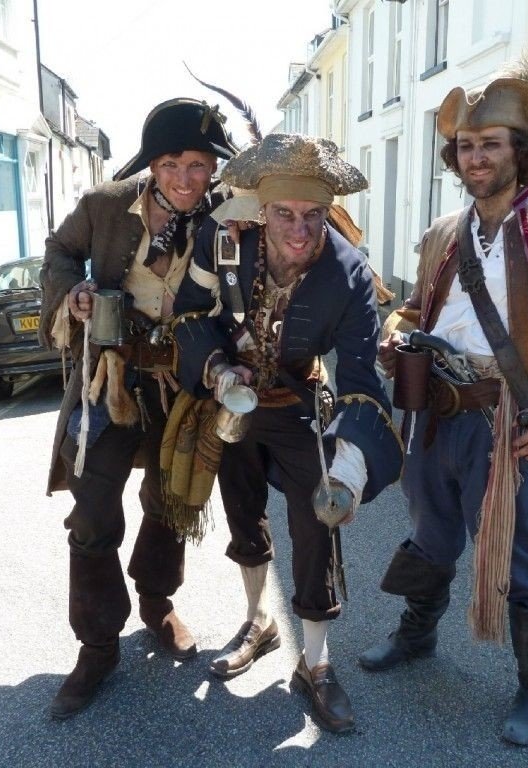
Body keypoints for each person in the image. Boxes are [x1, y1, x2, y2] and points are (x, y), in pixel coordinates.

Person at [358, 36, 528, 746]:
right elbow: (417, 310)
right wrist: (395, 332)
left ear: (520, 152)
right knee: (428, 533)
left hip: (508, 422)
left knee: (519, 559)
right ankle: (417, 635)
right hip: (432, 416)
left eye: (490, 144)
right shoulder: (442, 232)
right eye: (466, 145)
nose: (475, 157)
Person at [171, 133, 403, 733]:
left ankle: (317, 663)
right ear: (260, 209)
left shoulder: (349, 274)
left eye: (313, 216)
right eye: (283, 214)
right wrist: (219, 370)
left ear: (328, 213)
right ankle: (258, 622)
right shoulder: (222, 239)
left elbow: (358, 379)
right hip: (235, 402)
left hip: (301, 403)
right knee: (244, 511)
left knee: (316, 525)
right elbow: (191, 313)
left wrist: (349, 472)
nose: (298, 232)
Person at [38, 98, 235, 720]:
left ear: (213, 169)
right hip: (112, 378)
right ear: (152, 164)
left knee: (170, 499)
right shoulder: (105, 205)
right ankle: (96, 647)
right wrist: (71, 292)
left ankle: (156, 601)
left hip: (183, 383)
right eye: (172, 163)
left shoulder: (229, 214)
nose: (184, 178)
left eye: (198, 165)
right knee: (94, 511)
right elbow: (59, 252)